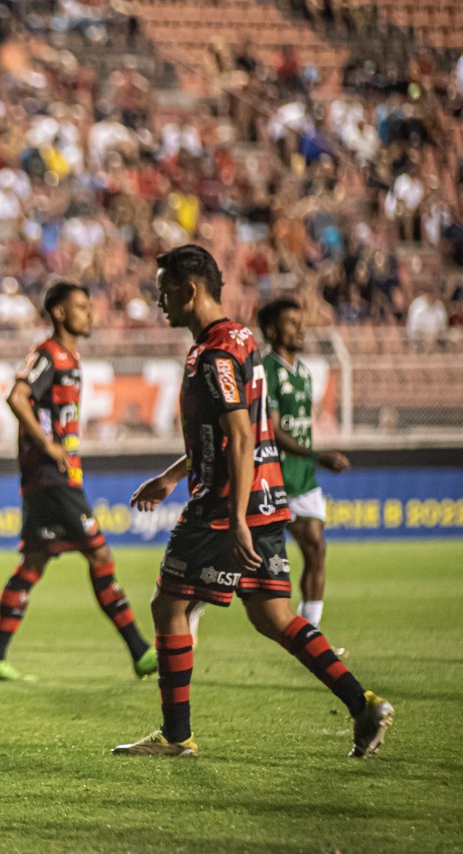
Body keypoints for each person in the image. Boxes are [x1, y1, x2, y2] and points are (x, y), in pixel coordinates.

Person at [113, 244, 392, 759]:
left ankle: (177, 736)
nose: (160, 303)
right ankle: (363, 703)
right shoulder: (242, 339)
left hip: (225, 508)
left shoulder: (215, 352)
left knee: (167, 605)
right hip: (267, 500)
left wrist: (235, 516)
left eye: (164, 292)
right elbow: (231, 432)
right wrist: (172, 476)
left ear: (189, 290)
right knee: (273, 616)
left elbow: (240, 437)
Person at [0, 282, 156, 683]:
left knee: (33, 564)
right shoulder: (48, 355)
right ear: (59, 313)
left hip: (54, 474)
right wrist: (49, 446)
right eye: (80, 306)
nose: (89, 313)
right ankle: (141, 651)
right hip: (51, 475)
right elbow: (17, 396)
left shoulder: (70, 358)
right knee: (101, 556)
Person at [257, 297, 350, 631]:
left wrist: (312, 460)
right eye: (291, 322)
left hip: (304, 479)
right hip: (273, 479)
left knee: (316, 549)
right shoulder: (266, 370)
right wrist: (318, 456)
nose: (300, 328)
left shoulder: (305, 373)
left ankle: (311, 632)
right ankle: (188, 604)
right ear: (271, 330)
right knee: (237, 559)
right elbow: (274, 430)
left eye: (300, 321)